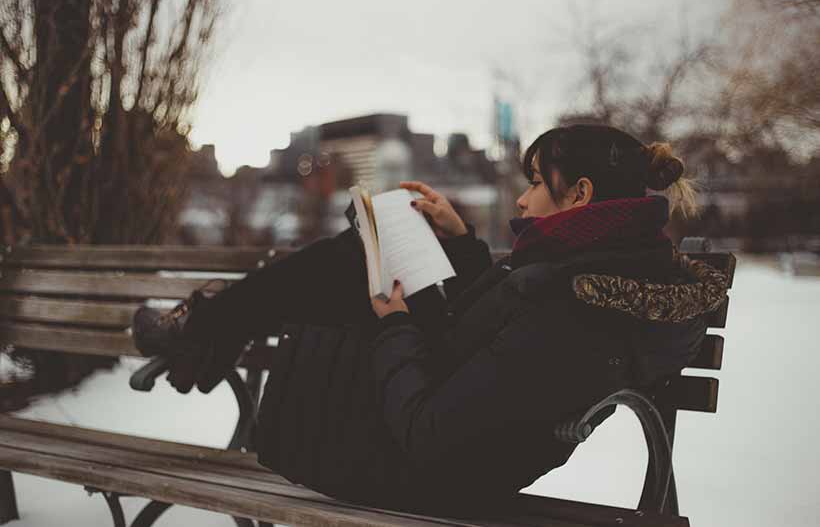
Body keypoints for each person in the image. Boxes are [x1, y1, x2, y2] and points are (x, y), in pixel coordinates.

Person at [132, 124, 728, 517]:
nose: (521, 201)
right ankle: (206, 334)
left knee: (345, 264)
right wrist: (463, 243)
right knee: (358, 254)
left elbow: (429, 430)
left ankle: (200, 336)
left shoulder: (571, 302)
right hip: (443, 435)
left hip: (423, 470)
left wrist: (394, 326)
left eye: (534, 185)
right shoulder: (592, 268)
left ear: (579, 195)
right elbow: (495, 344)